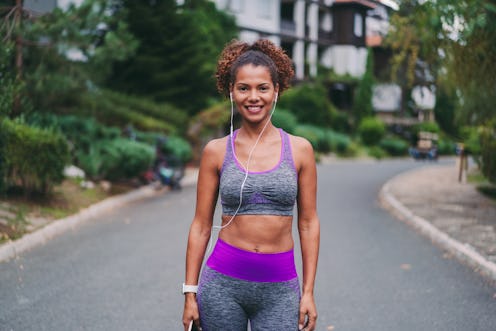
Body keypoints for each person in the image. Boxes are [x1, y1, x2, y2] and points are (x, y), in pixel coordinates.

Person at [182, 39, 320, 331]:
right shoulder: (216, 151)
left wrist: (308, 292)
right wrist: (189, 292)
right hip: (222, 286)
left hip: (280, 291)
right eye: (243, 88)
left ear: (276, 90)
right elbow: (201, 225)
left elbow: (308, 224)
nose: (253, 97)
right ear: (231, 92)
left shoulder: (300, 150)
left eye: (262, 88)